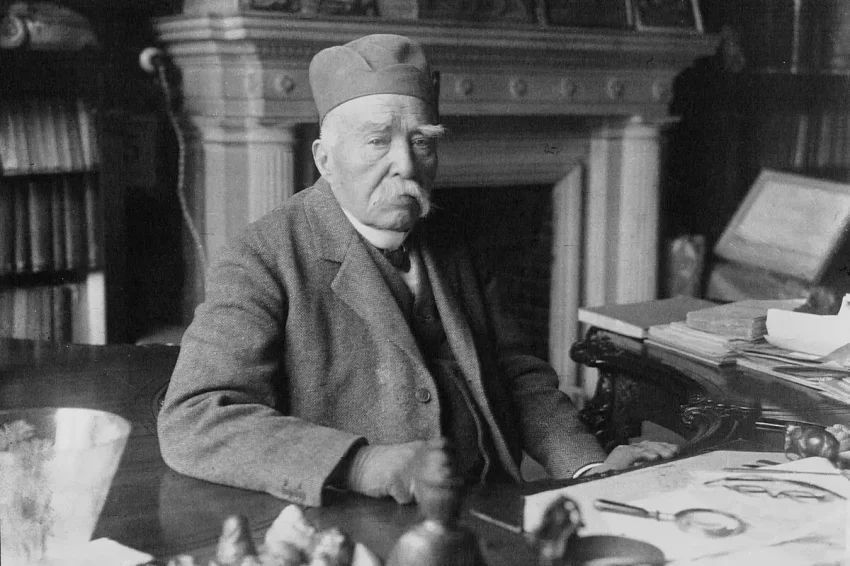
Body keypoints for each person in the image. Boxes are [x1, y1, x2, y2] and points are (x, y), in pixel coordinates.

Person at [157, 34, 678, 508]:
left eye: (422, 141)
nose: (407, 164)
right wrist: (360, 464)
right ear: (325, 159)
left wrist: (587, 469)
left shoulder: (455, 238)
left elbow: (516, 374)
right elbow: (194, 417)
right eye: (377, 141)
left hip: (490, 505)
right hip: (363, 525)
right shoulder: (263, 256)